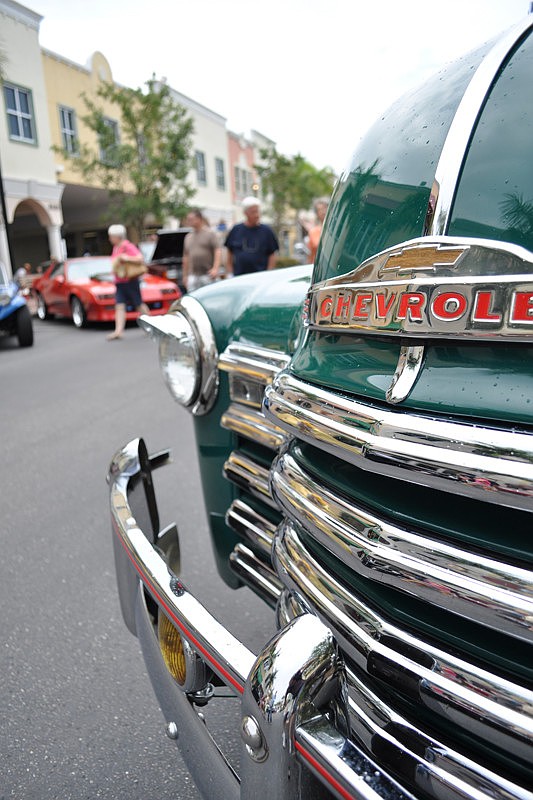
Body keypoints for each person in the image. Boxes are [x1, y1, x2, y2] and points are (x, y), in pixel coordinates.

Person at [106, 224, 148, 341]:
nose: (109, 239)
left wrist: (126, 258)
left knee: (138, 304)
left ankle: (152, 324)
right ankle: (118, 331)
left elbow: (140, 258)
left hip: (130, 281)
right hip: (119, 282)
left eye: (111, 236)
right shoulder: (116, 247)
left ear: (117, 236)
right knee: (119, 305)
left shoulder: (127, 246)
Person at [224, 197, 279, 277]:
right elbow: (229, 252)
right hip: (239, 276)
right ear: (245, 213)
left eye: (258, 212)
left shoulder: (267, 231)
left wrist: (269, 274)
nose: (257, 215)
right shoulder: (236, 230)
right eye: (253, 212)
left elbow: (272, 254)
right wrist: (230, 273)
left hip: (261, 277)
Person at [182, 209, 222, 292]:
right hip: (193, 275)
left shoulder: (210, 234)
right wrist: (185, 275)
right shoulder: (188, 237)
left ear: (199, 219)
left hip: (208, 275)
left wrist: (215, 268)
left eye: (191, 219)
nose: (189, 221)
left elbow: (217, 250)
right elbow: (186, 257)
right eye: (188, 219)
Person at [307, 197, 329, 265]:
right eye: (320, 209)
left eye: (325, 208)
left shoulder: (337, 229)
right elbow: (311, 254)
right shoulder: (313, 232)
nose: (323, 211)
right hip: (318, 268)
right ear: (317, 213)